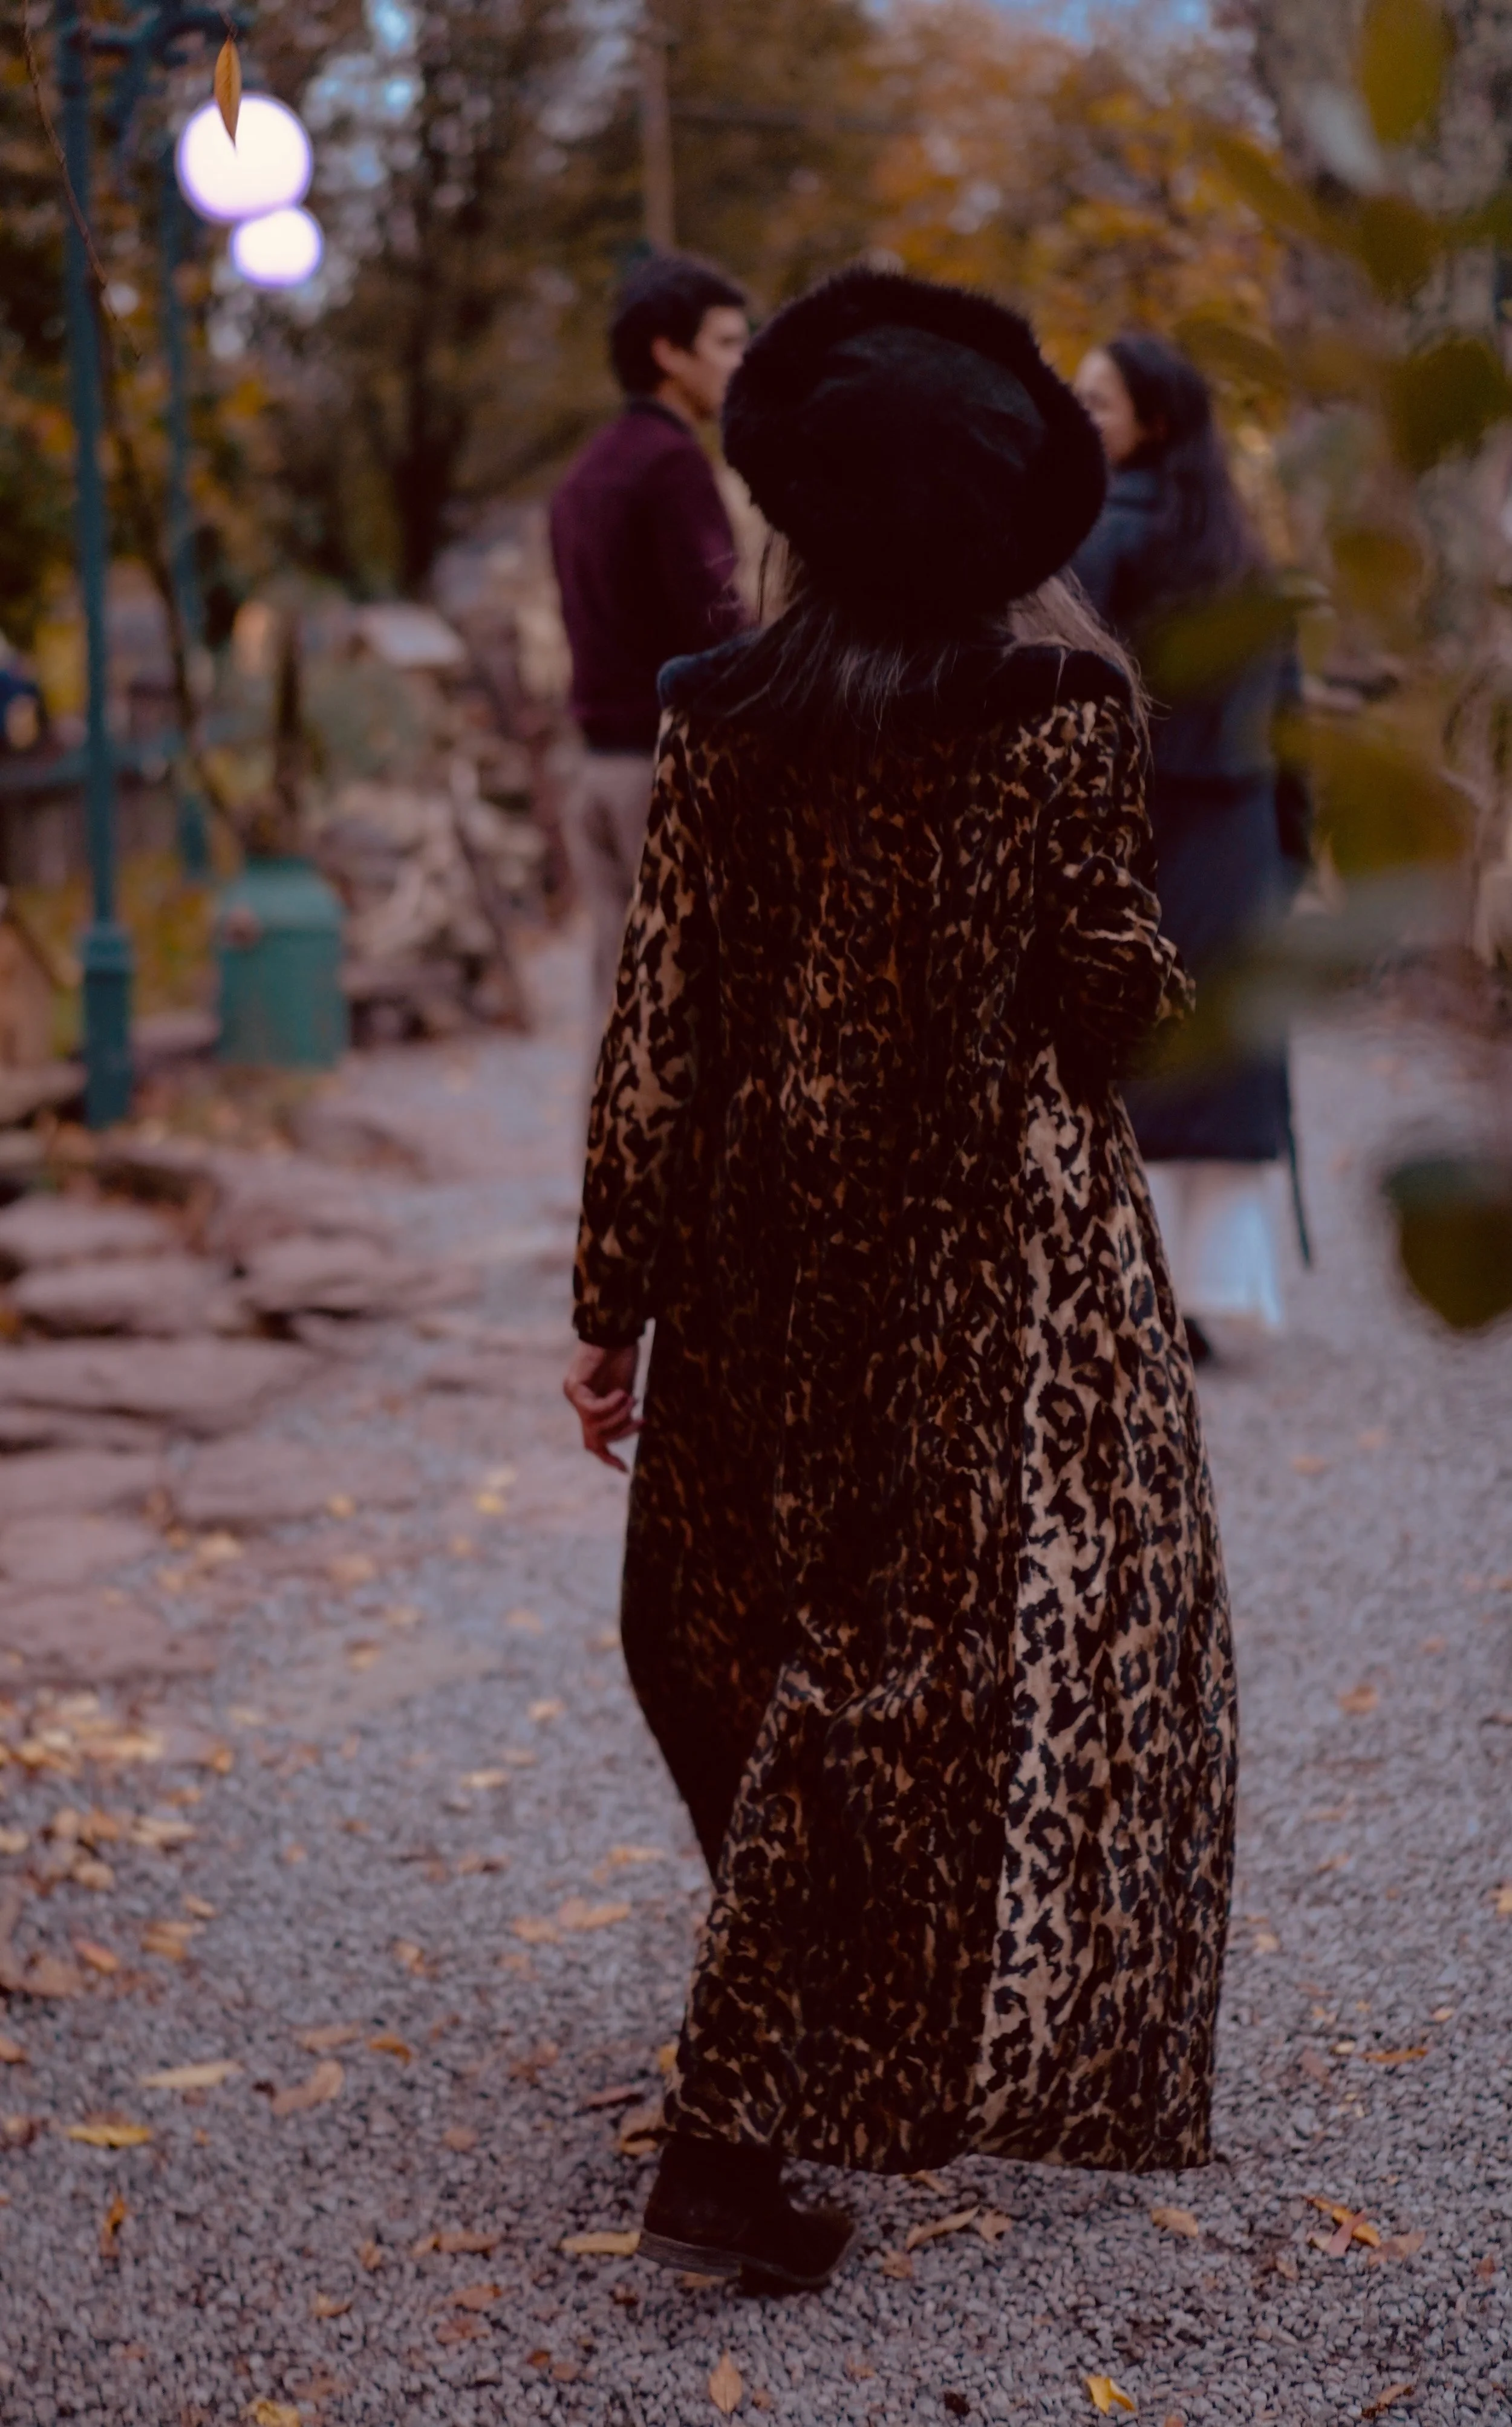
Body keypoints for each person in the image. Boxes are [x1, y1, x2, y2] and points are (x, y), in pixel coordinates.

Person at [562, 267, 1237, 2293]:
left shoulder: (723, 713)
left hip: (772, 1245)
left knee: (753, 1635)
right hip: (969, 1263)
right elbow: (1104, 1015)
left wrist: (615, 1295)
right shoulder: (1066, 717)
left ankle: (787, 2037)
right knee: (881, 1664)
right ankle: (731, 2136)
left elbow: (662, 1031)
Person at [1072, 336, 1312, 1360]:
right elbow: (1292, 721)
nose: (1079, 418)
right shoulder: (1244, 552)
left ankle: (1130, 1294)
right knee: (1216, 1059)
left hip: (1142, 835)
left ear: (1154, 422)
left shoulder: (1094, 542)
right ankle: (1207, 1295)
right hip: (1242, 836)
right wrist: (1291, 850)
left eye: (1097, 404)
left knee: (1126, 1054)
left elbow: (1069, 707)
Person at [550, 253, 750, 1080]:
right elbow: (720, 632)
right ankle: (684, 1211)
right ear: (671, 353)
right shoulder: (671, 468)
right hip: (667, 780)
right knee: (694, 1023)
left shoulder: (584, 474)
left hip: (596, 775)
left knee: (622, 1015)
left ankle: (611, 1202)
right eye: (728, 343)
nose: (741, 363)